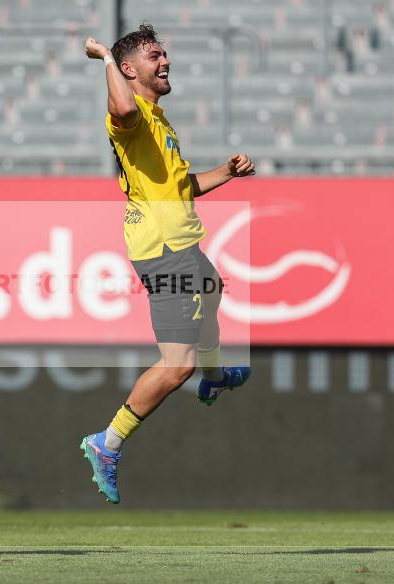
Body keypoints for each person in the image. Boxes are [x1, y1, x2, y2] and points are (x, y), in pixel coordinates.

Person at [80, 25, 254, 504]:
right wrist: (106, 60)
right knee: (177, 366)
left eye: (165, 54)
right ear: (131, 69)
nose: (166, 61)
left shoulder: (159, 120)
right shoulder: (131, 117)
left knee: (213, 287)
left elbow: (183, 187)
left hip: (179, 243)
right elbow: (120, 108)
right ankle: (107, 443)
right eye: (155, 56)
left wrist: (228, 173)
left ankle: (215, 376)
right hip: (163, 250)